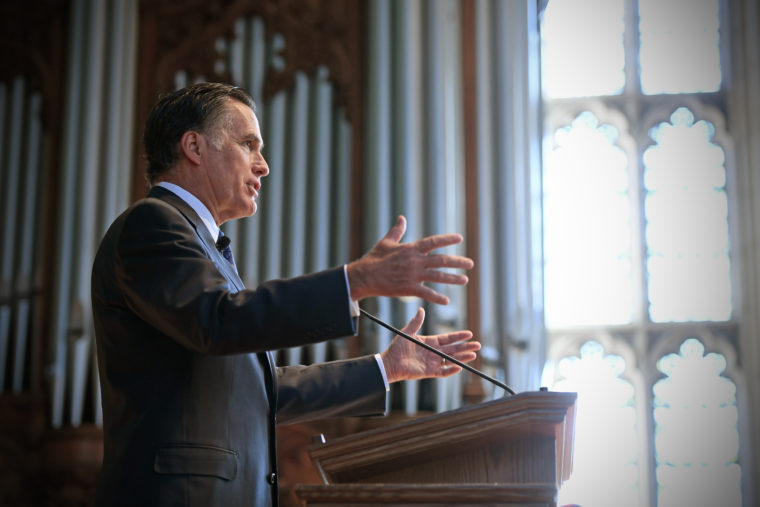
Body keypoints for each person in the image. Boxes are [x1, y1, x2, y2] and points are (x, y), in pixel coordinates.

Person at [91, 82, 480, 507]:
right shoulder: (152, 223)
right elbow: (220, 321)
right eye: (248, 145)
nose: (264, 166)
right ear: (194, 147)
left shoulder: (204, 245)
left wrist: (385, 369)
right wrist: (353, 281)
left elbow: (261, 391)